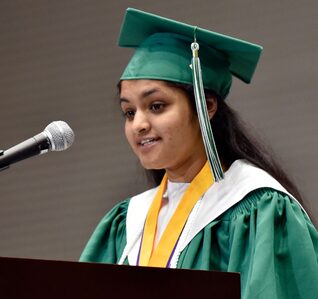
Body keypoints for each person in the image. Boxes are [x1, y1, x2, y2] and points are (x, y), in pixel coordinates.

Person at [79, 8, 318, 299]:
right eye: (128, 112)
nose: (138, 125)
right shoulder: (126, 225)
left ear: (207, 106)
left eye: (156, 106)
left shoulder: (260, 209)